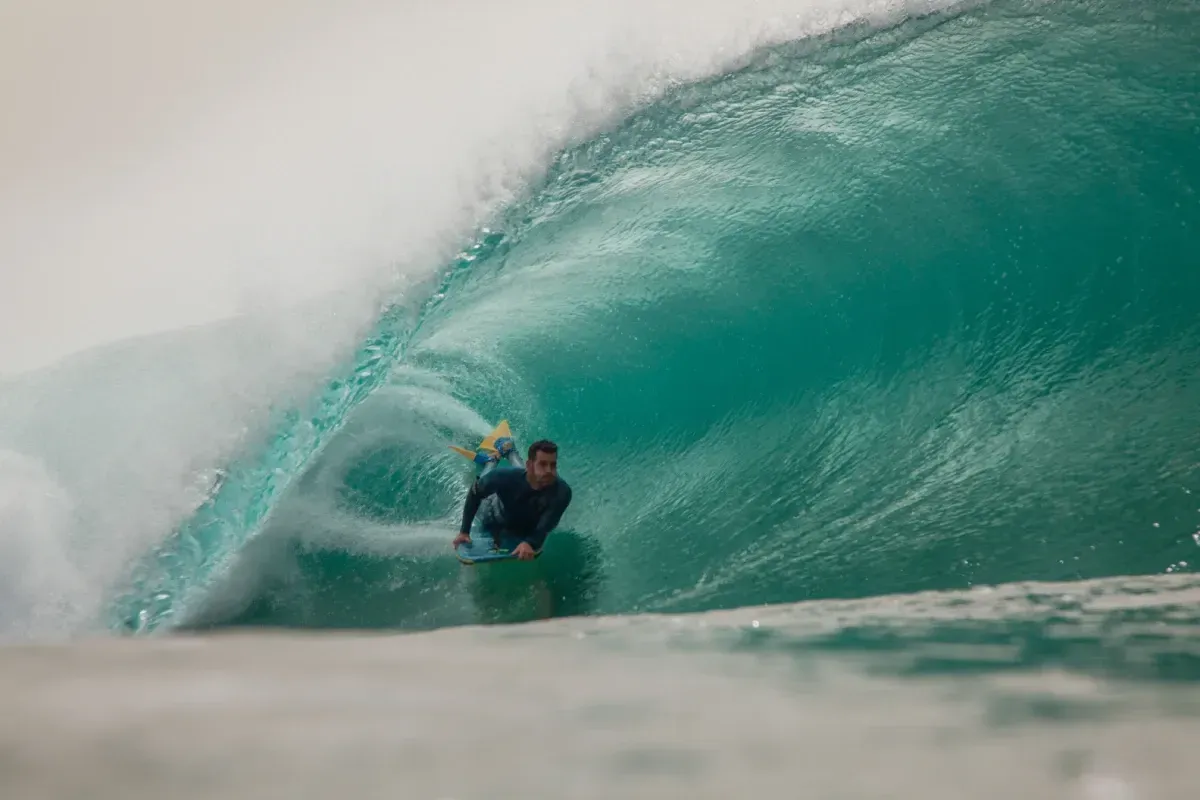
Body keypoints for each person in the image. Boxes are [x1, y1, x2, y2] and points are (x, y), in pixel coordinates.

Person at [453, 439, 572, 560]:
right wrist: (464, 531)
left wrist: (530, 542)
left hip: (523, 520)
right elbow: (475, 493)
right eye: (543, 464)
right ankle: (491, 461)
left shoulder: (562, 491)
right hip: (492, 514)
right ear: (529, 465)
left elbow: (547, 524)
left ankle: (509, 451)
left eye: (553, 465)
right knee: (494, 478)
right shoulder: (503, 477)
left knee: (528, 476)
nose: (549, 471)